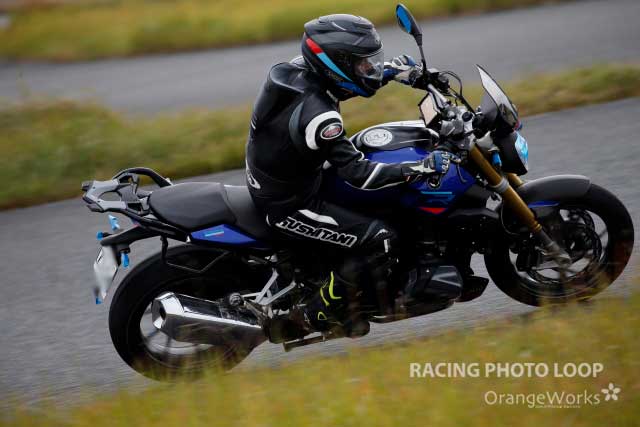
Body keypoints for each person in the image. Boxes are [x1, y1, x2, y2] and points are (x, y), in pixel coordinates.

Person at [245, 14, 454, 336]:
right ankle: (314, 315)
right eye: (363, 64)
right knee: (380, 239)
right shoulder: (322, 119)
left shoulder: (299, 71)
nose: (370, 69)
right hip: (289, 203)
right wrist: (418, 168)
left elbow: (344, 83)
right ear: (336, 64)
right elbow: (359, 174)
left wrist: (393, 72)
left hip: (285, 175)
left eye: (372, 62)